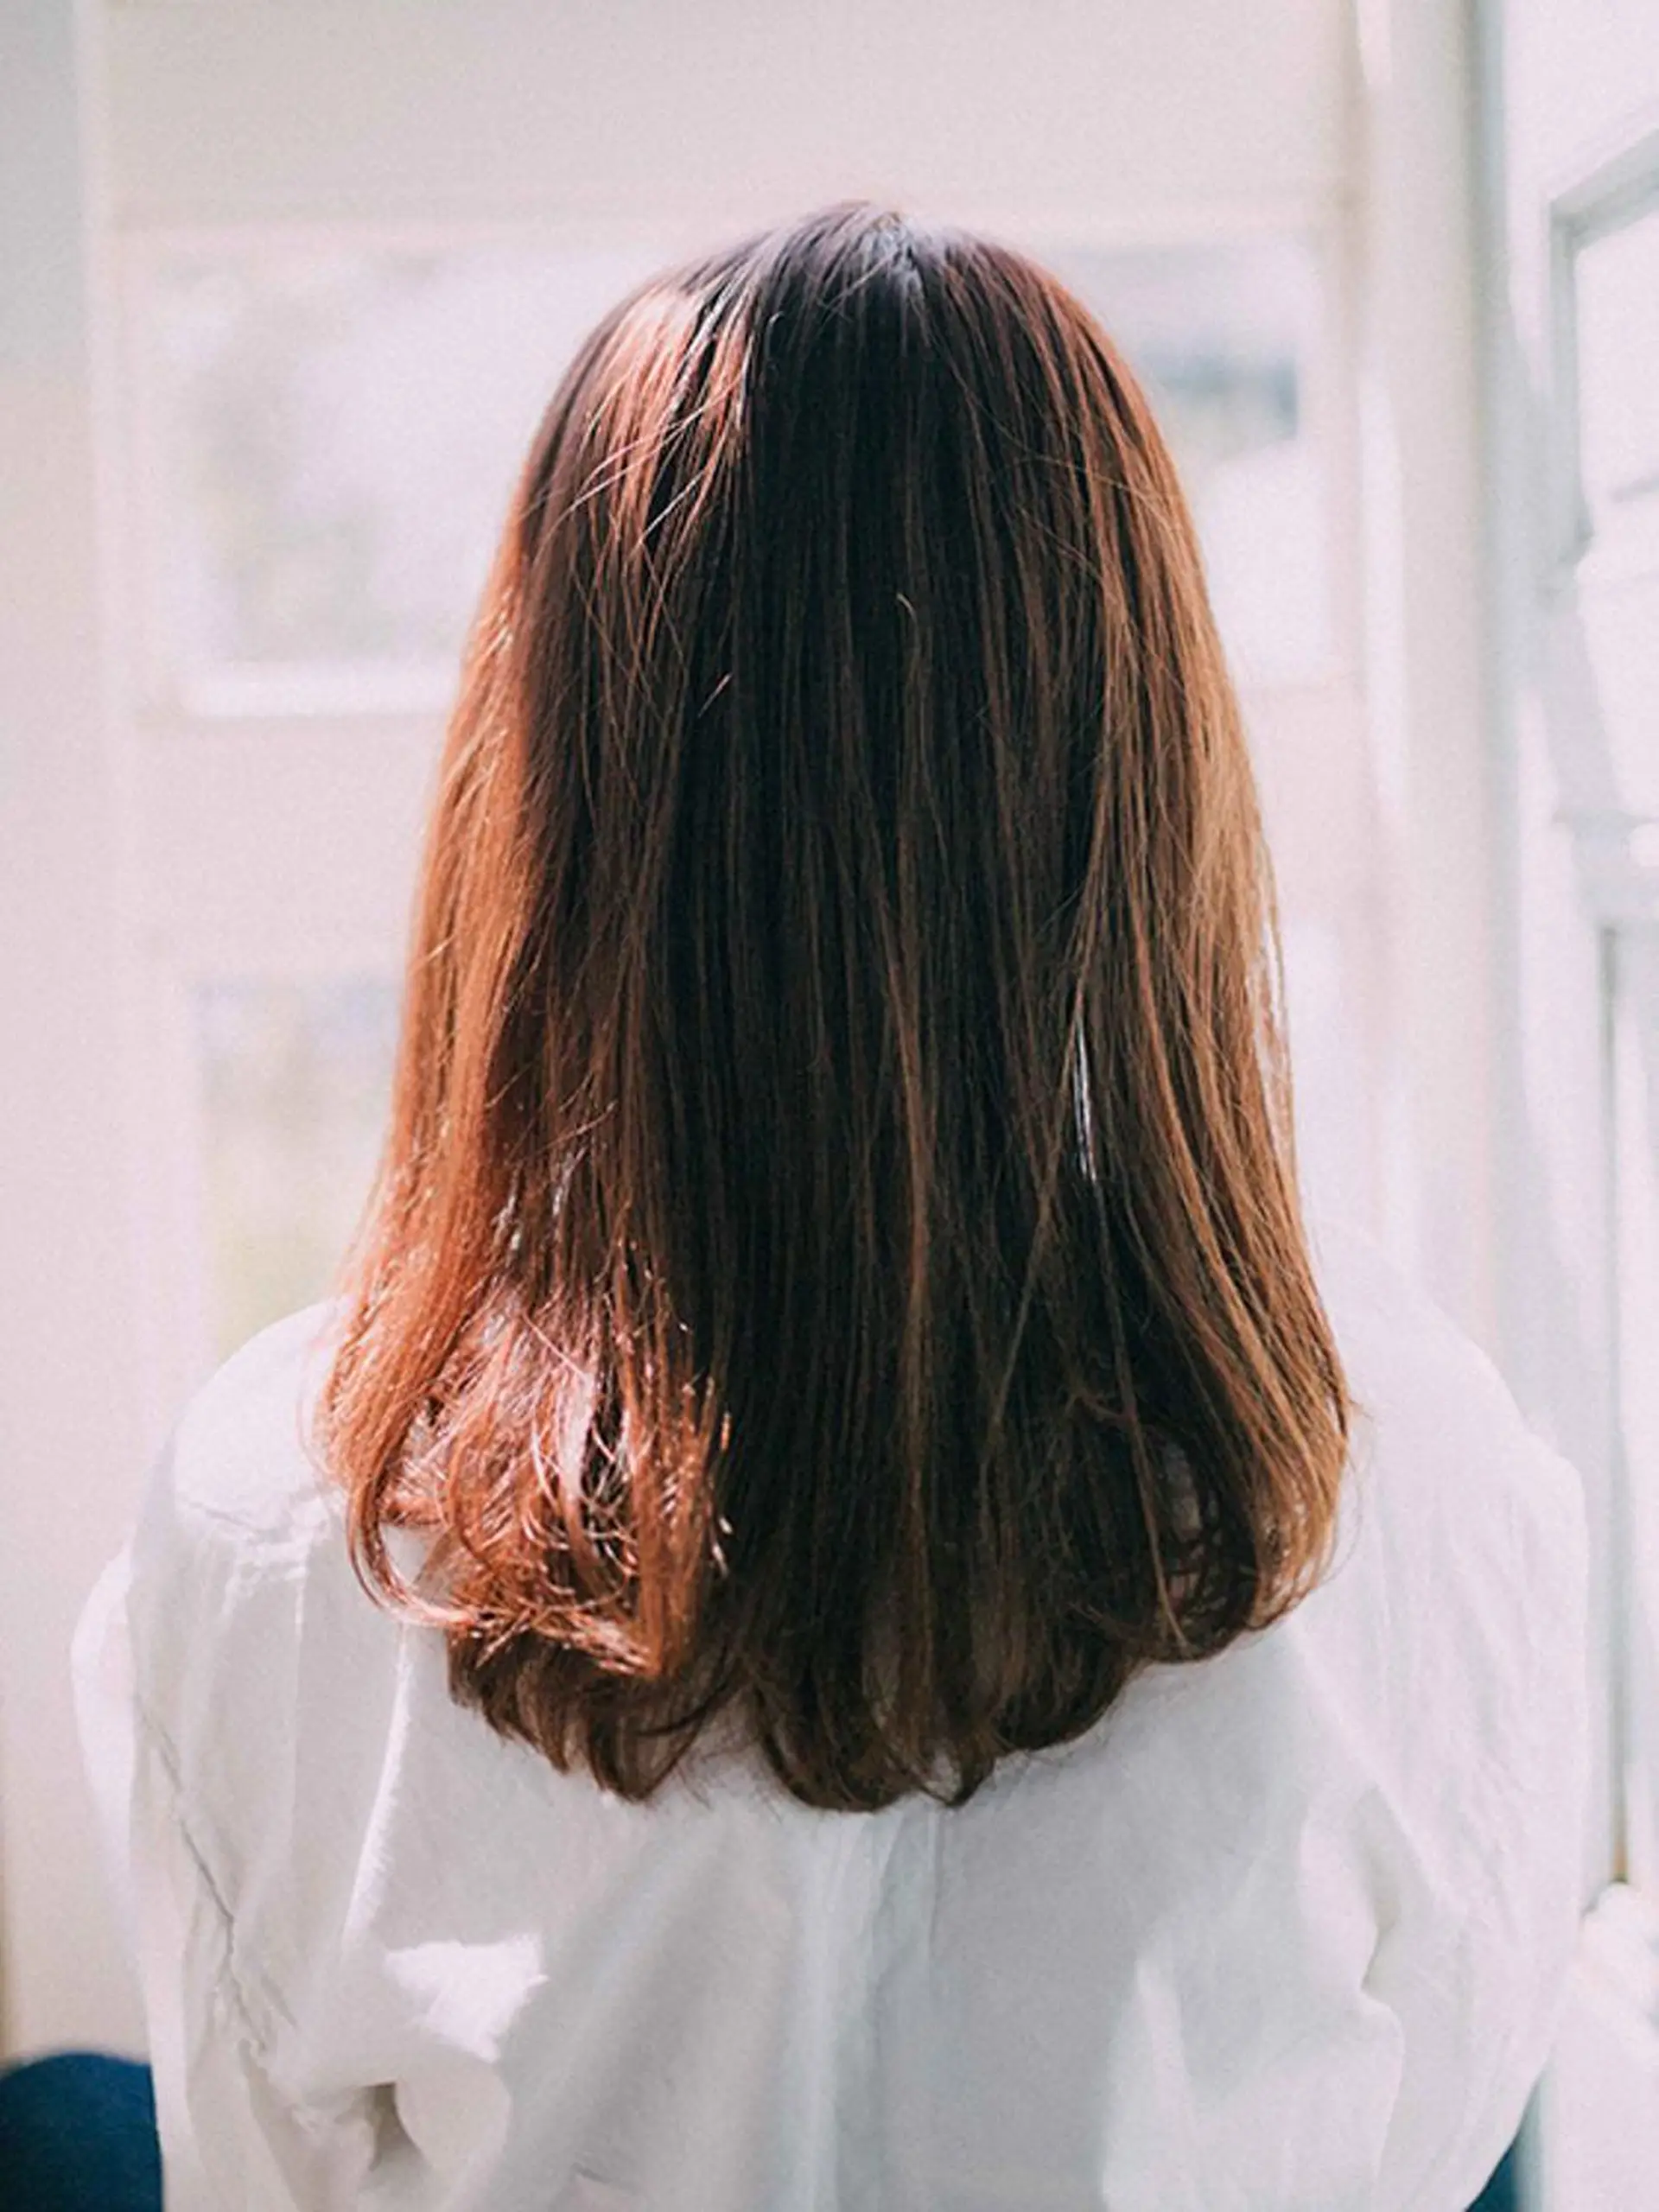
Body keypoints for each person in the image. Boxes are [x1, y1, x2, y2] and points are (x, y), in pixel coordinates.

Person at [73, 203, 1587, 2210]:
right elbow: (1431, 2133)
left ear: (551, 793)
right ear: (1135, 783)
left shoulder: (279, 1517)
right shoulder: (1420, 1469)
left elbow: (265, 2172)